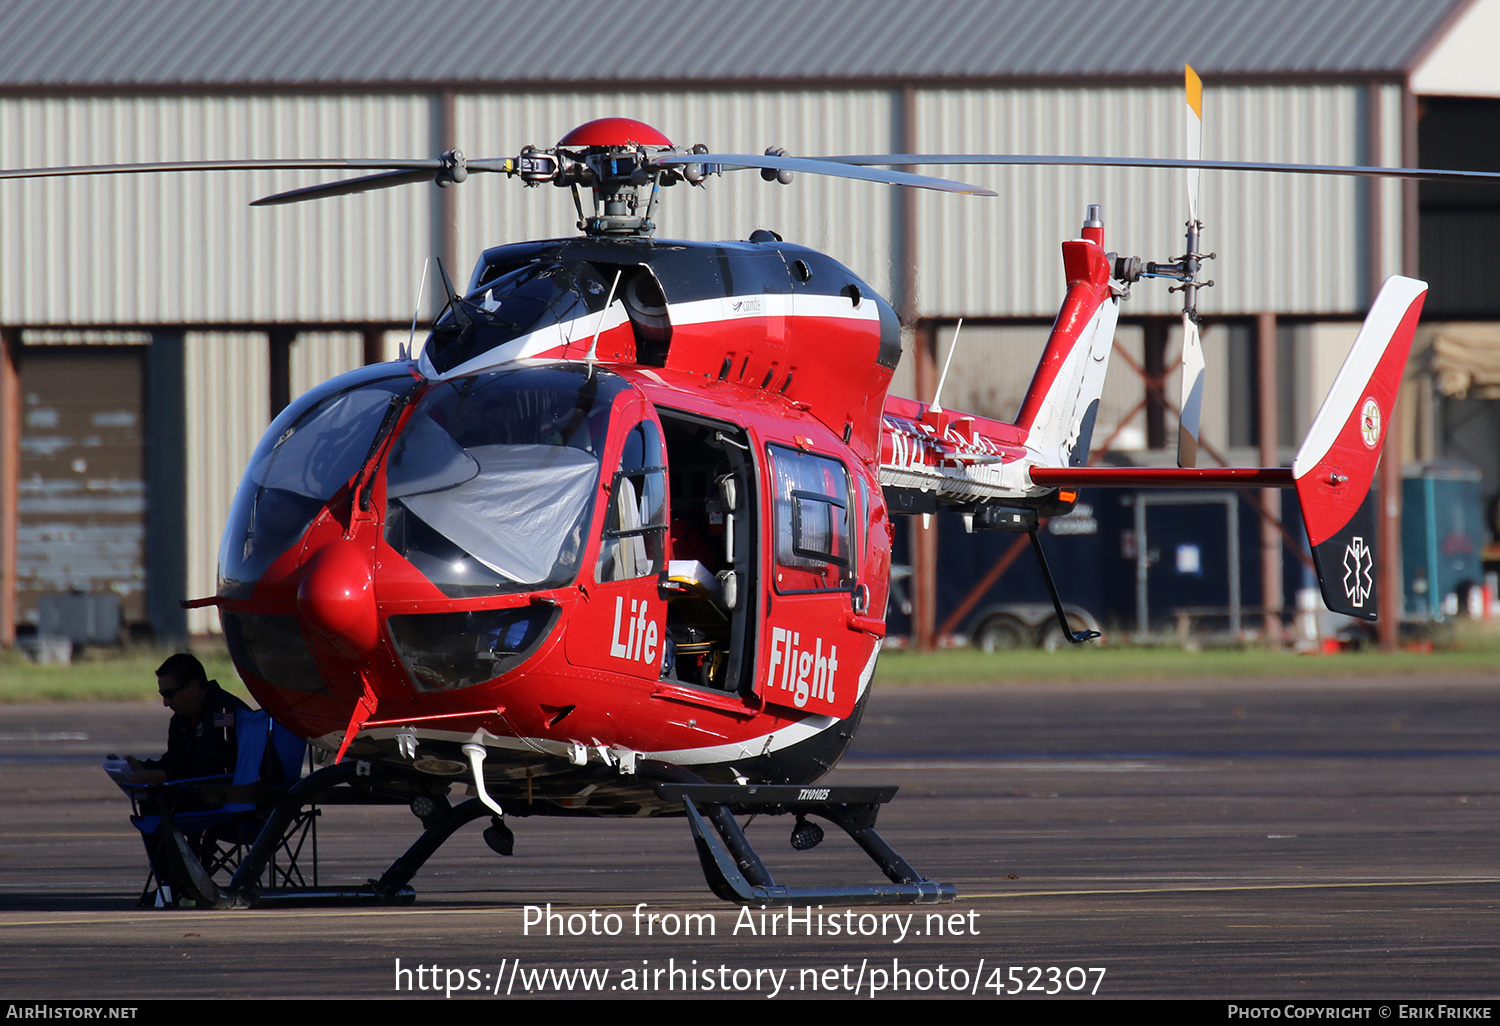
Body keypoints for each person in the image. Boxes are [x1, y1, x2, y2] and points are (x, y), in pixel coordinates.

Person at [127, 653, 250, 784]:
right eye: (162, 695)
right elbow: (174, 760)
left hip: (230, 795)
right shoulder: (181, 718)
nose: (166, 703)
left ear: (193, 688)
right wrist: (143, 767)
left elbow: (217, 768)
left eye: (169, 694)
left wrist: (163, 776)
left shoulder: (223, 711)